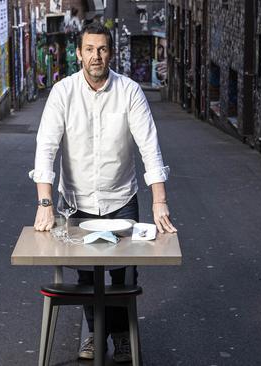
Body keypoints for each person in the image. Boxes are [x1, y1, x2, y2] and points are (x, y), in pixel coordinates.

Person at [29, 22, 177, 363]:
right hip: (76, 203)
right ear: (79, 53)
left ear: (110, 53)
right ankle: (96, 334)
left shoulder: (129, 92)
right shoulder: (63, 93)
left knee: (125, 273)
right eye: (90, 49)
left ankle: (123, 336)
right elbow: (46, 149)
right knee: (84, 275)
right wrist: (45, 202)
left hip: (121, 199)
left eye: (103, 49)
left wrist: (159, 200)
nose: (97, 56)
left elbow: (149, 146)